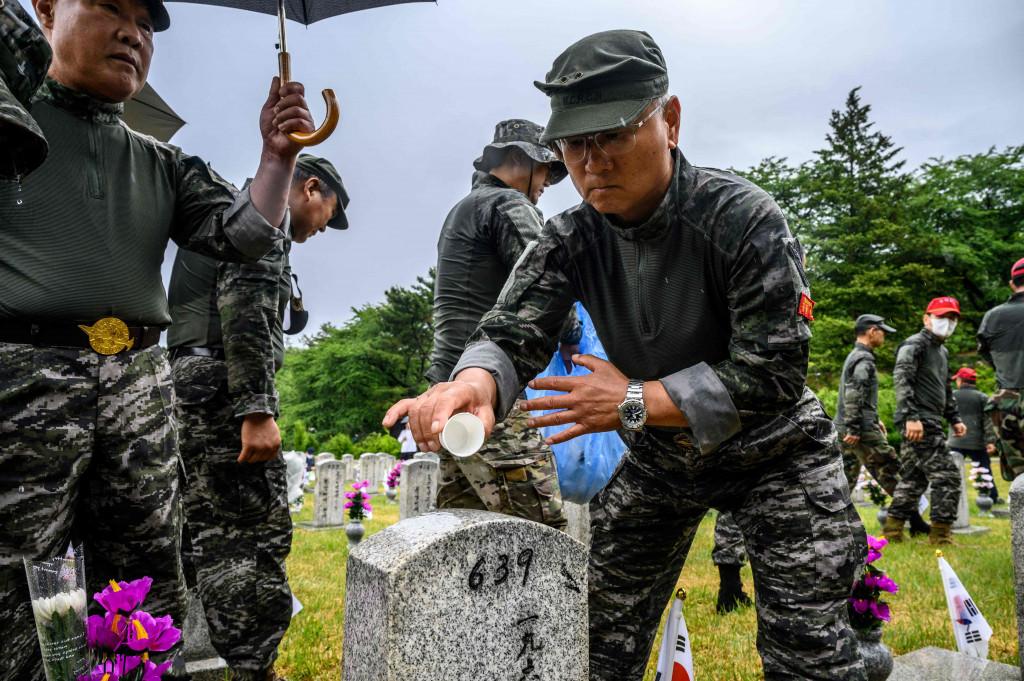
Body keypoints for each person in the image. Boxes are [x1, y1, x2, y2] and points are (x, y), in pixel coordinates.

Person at [386, 30, 867, 680]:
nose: (591, 162)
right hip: (665, 462)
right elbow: (511, 330)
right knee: (591, 644)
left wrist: (635, 400)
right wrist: (475, 381)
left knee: (811, 657)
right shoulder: (572, 237)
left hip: (774, 454)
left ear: (668, 120)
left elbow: (771, 374)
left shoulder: (744, 221)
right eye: (573, 144)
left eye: (611, 135)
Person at [0, 0, 316, 675]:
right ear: (47, 9)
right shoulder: (12, 126)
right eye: (110, 8)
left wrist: (277, 156)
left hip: (138, 389)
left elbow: (245, 233)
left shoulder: (163, 163)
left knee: (145, 589)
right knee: (17, 595)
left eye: (145, 25)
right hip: (24, 387)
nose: (131, 34)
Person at [168, 154, 348, 681]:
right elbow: (245, 311)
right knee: (250, 539)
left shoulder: (227, 210)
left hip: (192, 386)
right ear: (310, 188)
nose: (319, 229)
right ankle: (252, 667)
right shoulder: (260, 220)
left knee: (195, 531)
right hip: (224, 398)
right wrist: (256, 409)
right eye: (325, 214)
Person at [425, 118, 579, 530]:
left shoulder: (465, 209)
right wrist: (574, 336)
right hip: (485, 391)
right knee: (543, 535)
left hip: (448, 383)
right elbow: (547, 281)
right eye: (545, 167)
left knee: (464, 533)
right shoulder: (508, 206)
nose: (546, 180)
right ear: (518, 158)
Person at [836, 314, 931, 534]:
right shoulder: (864, 359)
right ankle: (910, 524)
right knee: (891, 470)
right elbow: (854, 393)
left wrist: (872, 417)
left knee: (844, 481)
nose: (884, 336)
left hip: (847, 427)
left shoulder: (855, 355)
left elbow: (860, 395)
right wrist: (855, 427)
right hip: (859, 429)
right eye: (882, 331)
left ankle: (835, 529)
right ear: (871, 331)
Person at [884, 297, 966, 544]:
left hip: (929, 419)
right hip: (920, 420)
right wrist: (912, 417)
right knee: (947, 477)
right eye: (942, 317)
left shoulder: (942, 350)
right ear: (927, 319)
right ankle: (940, 537)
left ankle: (893, 531)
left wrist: (954, 418)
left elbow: (945, 389)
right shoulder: (915, 344)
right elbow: (902, 380)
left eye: (952, 318)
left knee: (913, 479)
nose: (948, 323)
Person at [978, 257, 1024, 481]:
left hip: (1005, 403)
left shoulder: (992, 317)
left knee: (1019, 477)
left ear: (1012, 284)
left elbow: (986, 354)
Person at [948, 367, 999, 502]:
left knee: (951, 472)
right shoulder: (982, 397)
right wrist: (990, 441)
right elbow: (988, 421)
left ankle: (951, 497)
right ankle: (991, 496)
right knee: (984, 469)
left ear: (960, 381)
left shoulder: (952, 396)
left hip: (955, 441)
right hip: (977, 442)